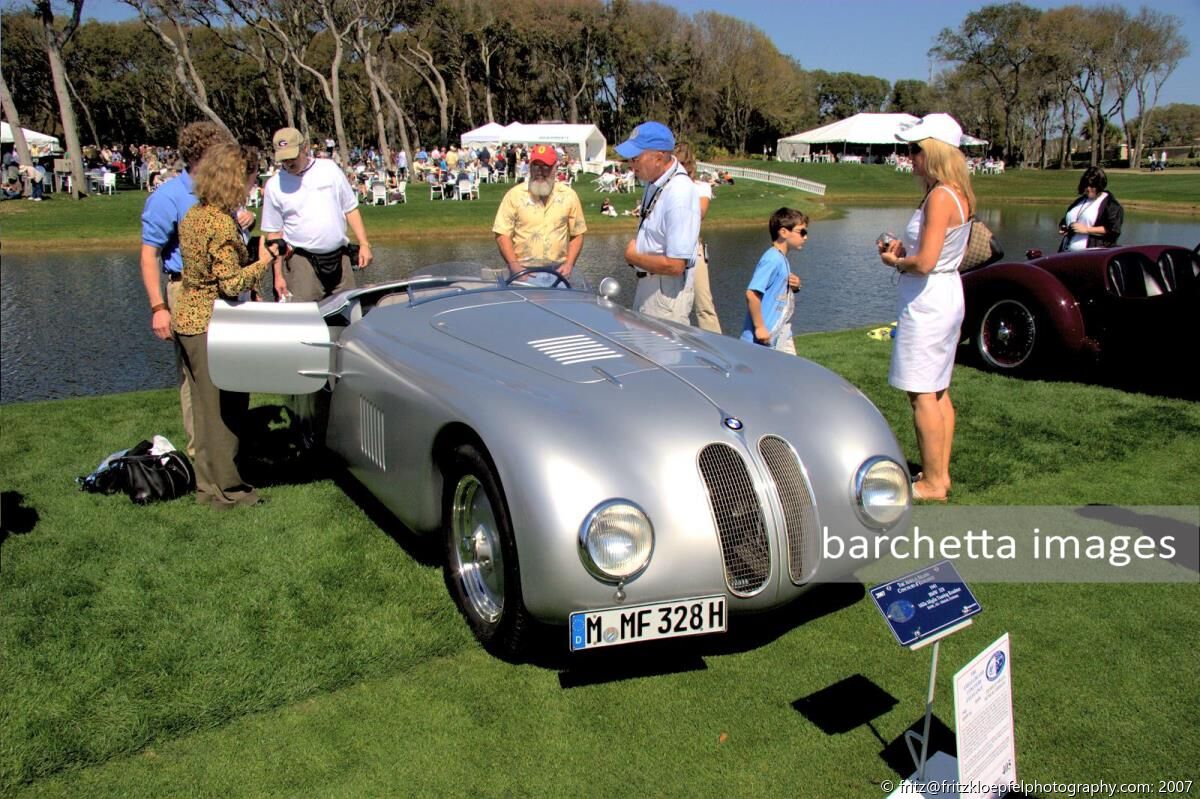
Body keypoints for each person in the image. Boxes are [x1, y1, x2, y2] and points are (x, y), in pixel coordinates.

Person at [877, 113, 975, 503]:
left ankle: (933, 482)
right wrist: (907, 253)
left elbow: (926, 261)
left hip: (930, 298)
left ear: (933, 151)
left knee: (921, 393)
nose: (910, 157)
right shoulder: (956, 192)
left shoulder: (939, 196)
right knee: (937, 390)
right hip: (946, 293)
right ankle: (939, 473)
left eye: (915, 149)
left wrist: (895, 262)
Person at [172, 142, 275, 509]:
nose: (252, 186)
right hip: (212, 323)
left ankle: (207, 487)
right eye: (250, 179)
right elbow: (230, 283)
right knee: (224, 410)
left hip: (188, 317)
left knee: (202, 411)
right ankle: (230, 489)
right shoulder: (220, 223)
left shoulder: (195, 215)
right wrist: (265, 259)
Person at [140, 121, 237, 457]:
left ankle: (227, 448)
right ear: (202, 155)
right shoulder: (168, 196)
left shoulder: (219, 191)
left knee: (227, 371)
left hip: (223, 291)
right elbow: (149, 253)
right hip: (188, 291)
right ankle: (202, 454)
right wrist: (158, 308)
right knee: (195, 377)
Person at [262, 127, 372, 302]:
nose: (289, 163)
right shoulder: (274, 186)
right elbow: (274, 236)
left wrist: (364, 244)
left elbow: (350, 208)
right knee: (305, 321)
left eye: (293, 156)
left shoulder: (329, 169)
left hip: (340, 258)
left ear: (304, 148)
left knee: (349, 314)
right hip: (302, 262)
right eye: (284, 159)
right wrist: (278, 276)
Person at [617, 121, 700, 324]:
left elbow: (675, 265)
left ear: (659, 157)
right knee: (641, 353)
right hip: (650, 285)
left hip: (666, 295)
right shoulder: (656, 182)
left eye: (636, 158)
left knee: (661, 356)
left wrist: (633, 256)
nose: (631, 164)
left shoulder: (679, 193)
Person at [492, 144, 587, 283]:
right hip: (523, 272)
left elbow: (578, 233)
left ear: (555, 167)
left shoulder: (569, 196)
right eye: (536, 166)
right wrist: (515, 266)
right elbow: (502, 234)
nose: (540, 172)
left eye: (546, 167)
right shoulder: (514, 195)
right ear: (530, 167)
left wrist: (569, 264)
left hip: (558, 273)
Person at [741, 208, 806, 353]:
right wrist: (760, 327)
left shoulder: (781, 259)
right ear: (783, 232)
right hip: (762, 339)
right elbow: (752, 294)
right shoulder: (772, 259)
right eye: (802, 232)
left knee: (790, 373)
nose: (805, 237)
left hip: (779, 334)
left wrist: (794, 287)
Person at [675, 142, 720, 333]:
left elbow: (700, 212)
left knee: (704, 303)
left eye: (684, 163)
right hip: (671, 251)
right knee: (673, 303)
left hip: (694, 249)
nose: (681, 168)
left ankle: (717, 348)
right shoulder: (666, 188)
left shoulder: (700, 188)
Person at [1058, 166, 1123, 251]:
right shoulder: (1079, 201)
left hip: (1092, 256)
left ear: (1100, 185)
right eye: (1086, 185)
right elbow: (1066, 219)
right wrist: (1064, 227)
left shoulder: (1111, 205)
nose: (1088, 189)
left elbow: (1113, 230)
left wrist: (1087, 230)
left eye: (1092, 186)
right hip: (1066, 253)